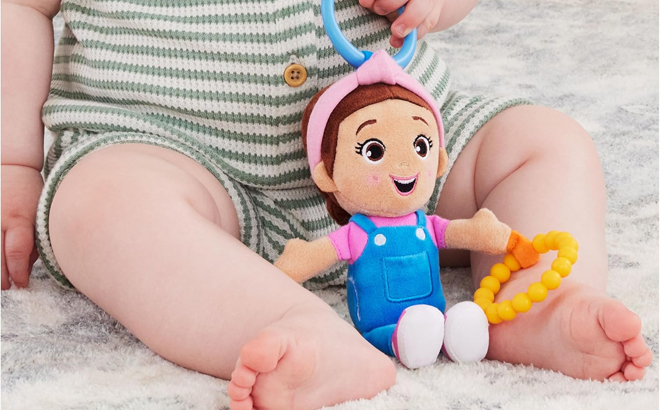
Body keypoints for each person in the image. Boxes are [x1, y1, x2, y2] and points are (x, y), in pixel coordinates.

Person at [2, 0, 651, 409]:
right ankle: (288, 324)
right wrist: (12, 164)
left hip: (403, 155)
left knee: (542, 143)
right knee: (101, 206)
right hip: (177, 150)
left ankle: (536, 301)